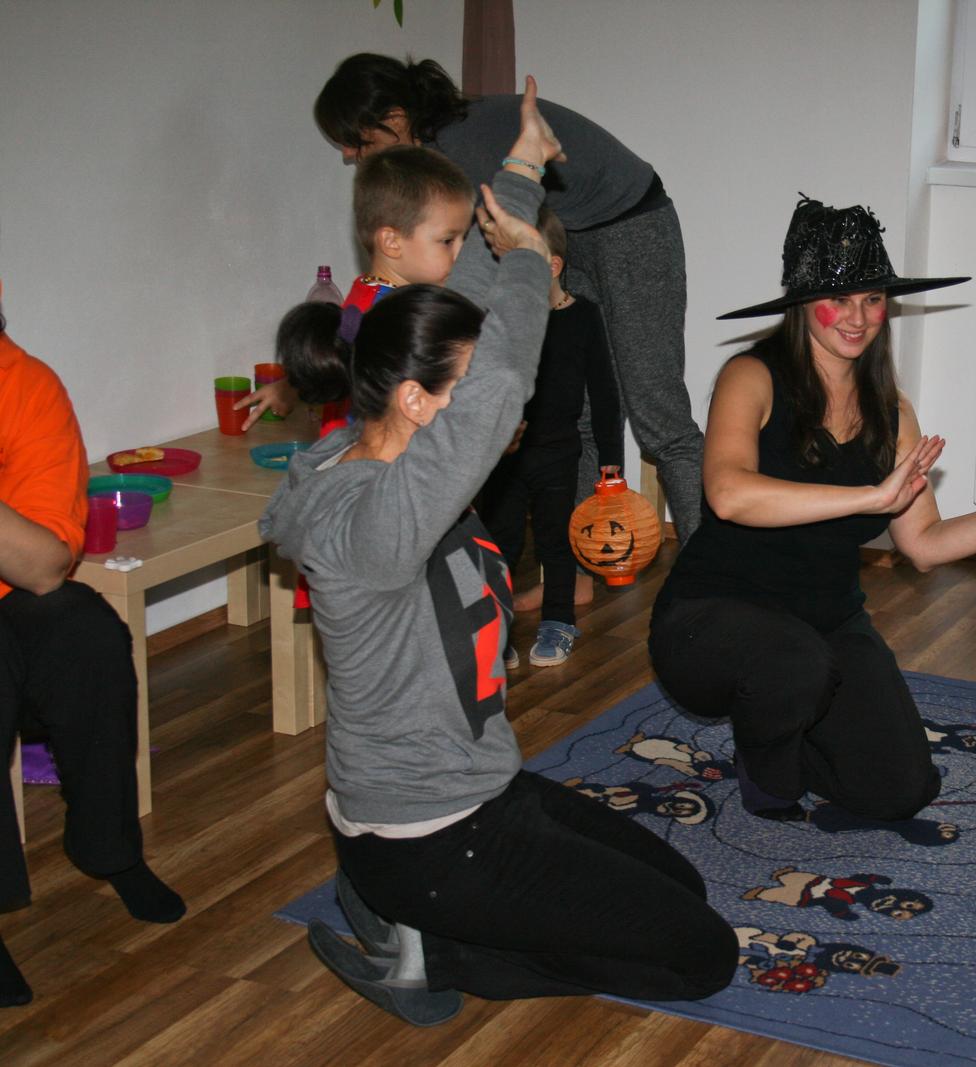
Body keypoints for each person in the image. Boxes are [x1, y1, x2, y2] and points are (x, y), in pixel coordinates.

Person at [260, 81, 734, 1026]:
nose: (493, 418)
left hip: (482, 792)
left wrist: (520, 169)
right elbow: (506, 373)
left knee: (679, 885)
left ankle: (424, 920)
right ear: (417, 401)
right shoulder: (378, 515)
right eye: (465, 393)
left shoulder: (389, 439)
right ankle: (435, 952)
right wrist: (528, 267)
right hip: (428, 836)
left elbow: (467, 294)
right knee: (701, 956)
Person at [648, 196, 976, 823]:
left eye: (872, 298)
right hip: (710, 620)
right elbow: (729, 495)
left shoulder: (891, 409)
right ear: (802, 304)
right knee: (795, 665)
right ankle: (767, 768)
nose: (858, 317)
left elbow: (925, 545)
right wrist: (871, 498)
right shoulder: (751, 376)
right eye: (838, 298)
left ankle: (790, 725)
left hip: (826, 622)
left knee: (899, 790)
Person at [313, 53, 705, 571]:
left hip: (631, 225)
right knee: (578, 413)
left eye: (354, 139)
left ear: (395, 117)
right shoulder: (436, 150)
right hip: (568, 234)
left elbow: (474, 269)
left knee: (659, 417)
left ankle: (711, 571)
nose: (347, 152)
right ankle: (576, 573)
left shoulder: (460, 144)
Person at [0, 284, 185, 1007]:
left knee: (87, 633)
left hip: (14, 588)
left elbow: (46, 566)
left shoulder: (26, 386)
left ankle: (106, 846)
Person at [478, 205, 623, 669]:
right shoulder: (500, 320)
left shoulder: (583, 318)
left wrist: (611, 456)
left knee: (557, 541)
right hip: (503, 455)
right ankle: (497, 630)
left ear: (553, 265)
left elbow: (604, 391)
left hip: (559, 452)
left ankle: (558, 620)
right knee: (500, 544)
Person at [248, 144, 479, 435]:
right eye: (447, 241)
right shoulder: (390, 317)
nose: (460, 253)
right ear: (391, 242)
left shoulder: (369, 293)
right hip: (368, 451)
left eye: (463, 239)